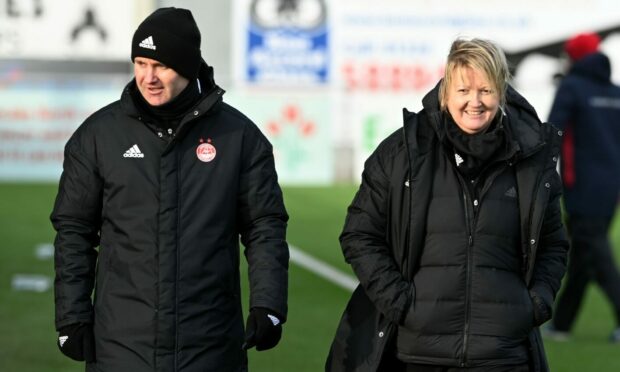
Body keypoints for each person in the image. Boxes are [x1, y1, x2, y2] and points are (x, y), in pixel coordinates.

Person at [51, 7, 289, 371]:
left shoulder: (240, 138)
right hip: (120, 347)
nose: (149, 77)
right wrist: (71, 315)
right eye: (141, 63)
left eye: (161, 65)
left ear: (189, 67)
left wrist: (269, 305)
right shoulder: (98, 136)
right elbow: (74, 231)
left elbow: (265, 227)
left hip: (210, 345)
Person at [326, 37, 569, 371]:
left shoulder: (530, 159)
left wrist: (535, 304)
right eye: (464, 91)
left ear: (501, 92)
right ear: (445, 93)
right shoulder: (403, 153)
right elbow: (359, 234)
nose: (475, 102)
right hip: (416, 353)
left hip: (503, 356)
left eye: (485, 90)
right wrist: (401, 304)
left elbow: (554, 244)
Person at [545, 32, 620, 343]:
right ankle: (562, 325)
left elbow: (552, 132)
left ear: (574, 57)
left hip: (581, 188)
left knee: (597, 256)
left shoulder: (571, 88)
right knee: (584, 257)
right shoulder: (615, 93)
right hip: (611, 188)